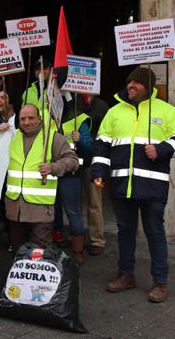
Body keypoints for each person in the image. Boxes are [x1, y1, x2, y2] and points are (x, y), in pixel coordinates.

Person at [92, 67, 175, 303]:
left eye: (136, 83)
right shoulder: (114, 112)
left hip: (152, 186)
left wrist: (161, 149)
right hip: (121, 184)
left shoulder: (166, 111)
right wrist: (98, 171)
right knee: (125, 232)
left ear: (148, 86)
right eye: (129, 82)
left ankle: (160, 282)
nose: (131, 86)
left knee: (155, 233)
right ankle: (126, 275)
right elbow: (102, 145)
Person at [4, 104, 79, 251]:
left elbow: (73, 161)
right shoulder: (11, 137)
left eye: (31, 118)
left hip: (40, 210)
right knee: (18, 252)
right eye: (23, 118)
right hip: (15, 209)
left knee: (39, 253)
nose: (26, 122)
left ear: (39, 119)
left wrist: (54, 167)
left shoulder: (53, 138)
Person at [52, 99, 94, 265]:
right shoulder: (45, 119)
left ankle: (78, 250)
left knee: (73, 211)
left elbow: (90, 148)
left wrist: (81, 140)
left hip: (70, 173)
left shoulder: (79, 118)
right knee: (51, 211)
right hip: (50, 172)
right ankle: (55, 242)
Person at [82, 93, 109, 256]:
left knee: (95, 201)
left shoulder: (101, 106)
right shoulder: (72, 102)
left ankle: (97, 239)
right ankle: (76, 235)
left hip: (94, 162)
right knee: (71, 201)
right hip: (73, 159)